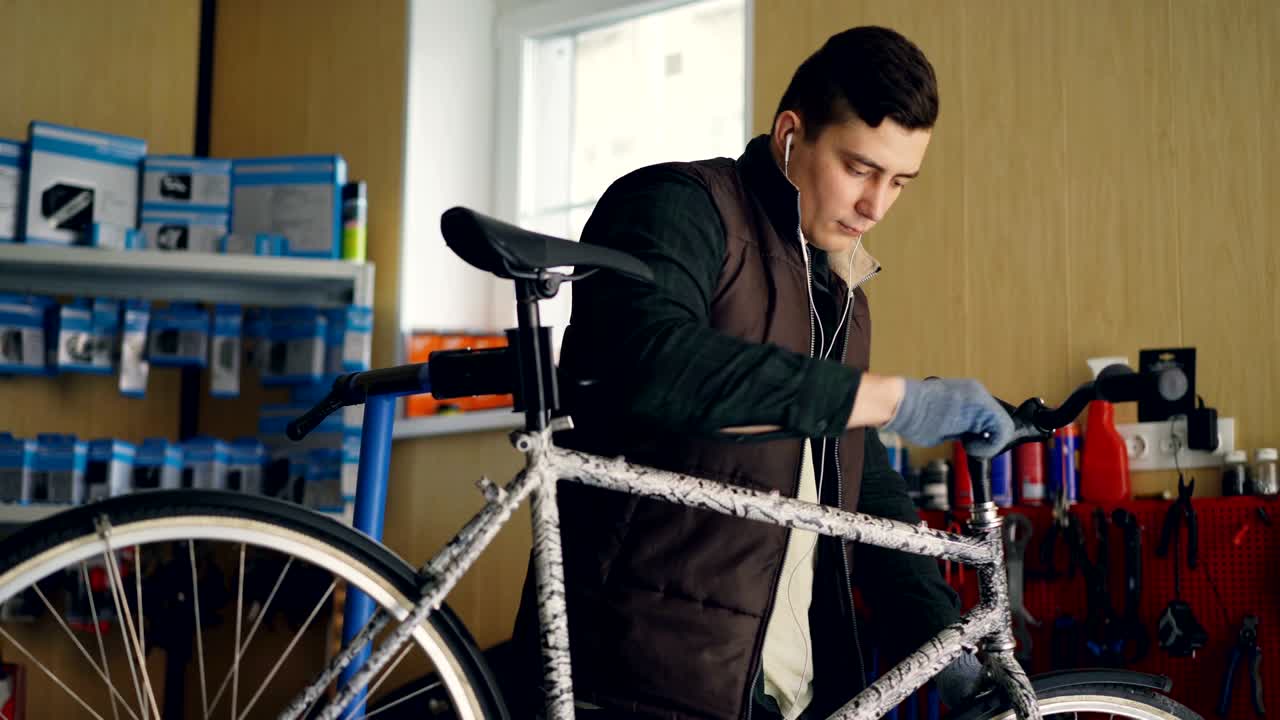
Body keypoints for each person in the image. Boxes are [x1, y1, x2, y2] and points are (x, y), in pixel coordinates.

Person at [509, 25, 1015, 720]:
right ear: (791, 134)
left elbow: (855, 476)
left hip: (781, 688)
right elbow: (653, 364)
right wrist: (892, 397)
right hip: (637, 674)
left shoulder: (839, 292)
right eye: (860, 168)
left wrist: (940, 640)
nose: (876, 206)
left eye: (899, 181)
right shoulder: (678, 205)